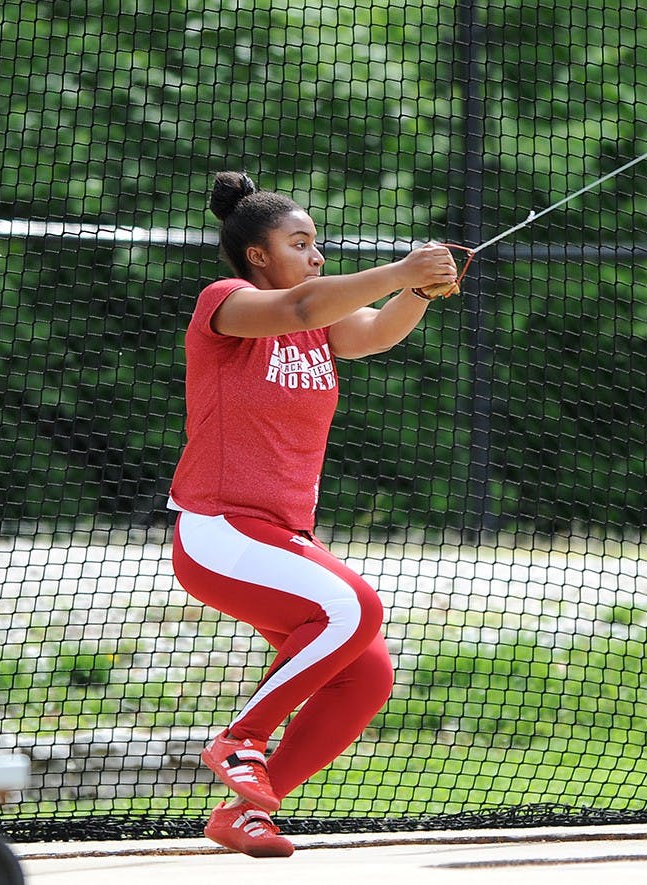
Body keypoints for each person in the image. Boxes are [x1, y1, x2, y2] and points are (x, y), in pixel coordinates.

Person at [168, 171, 458, 858]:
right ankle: (242, 738)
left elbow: (378, 332)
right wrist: (401, 266)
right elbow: (301, 306)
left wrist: (417, 289)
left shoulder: (318, 326)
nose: (317, 254)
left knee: (369, 671)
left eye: (318, 243)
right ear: (258, 255)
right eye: (300, 242)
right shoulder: (227, 303)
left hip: (275, 535)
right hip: (218, 532)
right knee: (355, 606)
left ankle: (244, 813)